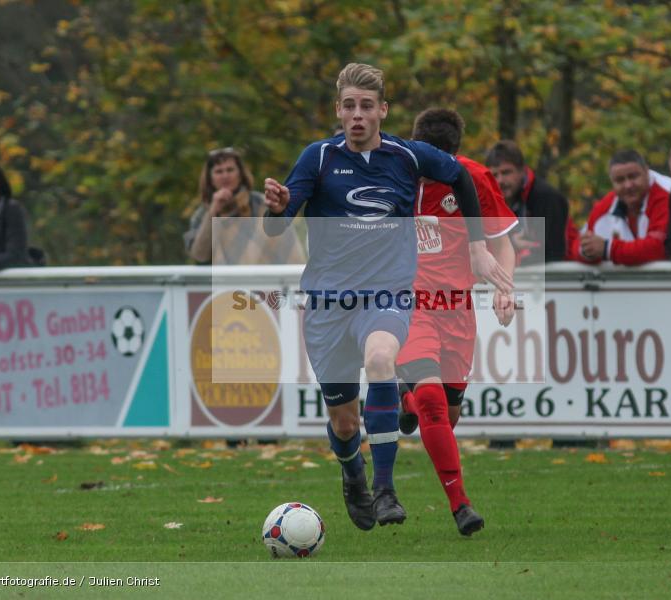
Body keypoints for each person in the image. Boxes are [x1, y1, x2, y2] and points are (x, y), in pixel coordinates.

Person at [262, 63, 512, 531]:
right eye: (349, 106)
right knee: (344, 425)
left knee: (381, 359)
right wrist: (274, 209)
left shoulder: (407, 156)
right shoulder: (317, 158)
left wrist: (477, 246)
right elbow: (279, 222)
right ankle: (352, 472)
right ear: (338, 110)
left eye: (367, 106)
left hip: (386, 295)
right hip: (328, 305)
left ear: (383, 111)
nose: (357, 115)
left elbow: (460, 178)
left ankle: (384, 491)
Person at [395, 108, 517, 535]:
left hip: (457, 309)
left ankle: (403, 402)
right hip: (409, 305)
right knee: (431, 401)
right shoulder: (397, 173)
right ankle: (461, 505)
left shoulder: (473, 180)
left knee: (445, 412)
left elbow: (503, 244)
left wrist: (505, 287)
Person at [184, 147, 305, 265]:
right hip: (224, 282)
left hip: (264, 280)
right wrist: (213, 212)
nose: (225, 176)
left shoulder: (261, 203)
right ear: (210, 179)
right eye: (219, 171)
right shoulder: (202, 213)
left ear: (240, 174)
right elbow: (200, 256)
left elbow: (288, 248)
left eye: (230, 170)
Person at [572, 150, 671, 265]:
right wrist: (587, 251)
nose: (628, 185)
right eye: (620, 180)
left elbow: (658, 249)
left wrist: (607, 249)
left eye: (633, 177)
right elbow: (578, 244)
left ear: (646, 171)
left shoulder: (667, 195)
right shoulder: (606, 205)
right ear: (612, 182)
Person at [485, 140, 578, 263]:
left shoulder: (546, 198)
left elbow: (553, 252)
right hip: (526, 276)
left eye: (506, 172)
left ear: (522, 171)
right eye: (494, 175)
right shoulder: (492, 201)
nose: (500, 180)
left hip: (564, 277)